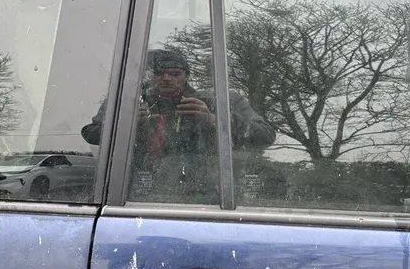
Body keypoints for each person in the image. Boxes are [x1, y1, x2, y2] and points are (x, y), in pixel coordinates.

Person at [81, 49, 275, 199]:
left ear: (187, 76)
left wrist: (215, 121)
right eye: (159, 73)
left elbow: (266, 135)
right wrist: (124, 126)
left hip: (208, 199)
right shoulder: (126, 103)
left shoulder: (220, 101)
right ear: (149, 76)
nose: (166, 78)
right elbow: (91, 133)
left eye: (175, 74)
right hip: (132, 197)